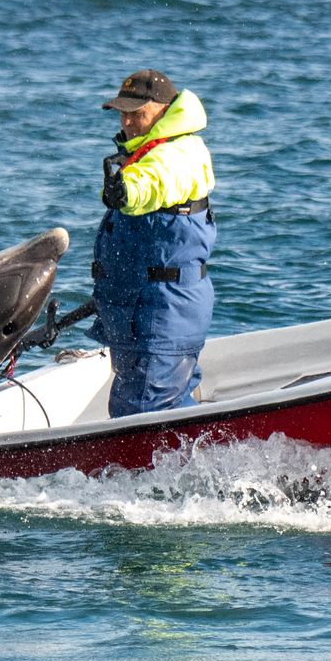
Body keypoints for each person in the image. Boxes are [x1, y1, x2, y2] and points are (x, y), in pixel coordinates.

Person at [92, 69, 216, 417]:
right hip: (151, 313)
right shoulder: (151, 151)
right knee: (168, 414)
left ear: (163, 111)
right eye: (124, 112)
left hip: (163, 317)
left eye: (138, 113)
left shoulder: (178, 154)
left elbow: (155, 181)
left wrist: (127, 191)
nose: (128, 121)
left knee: (139, 417)